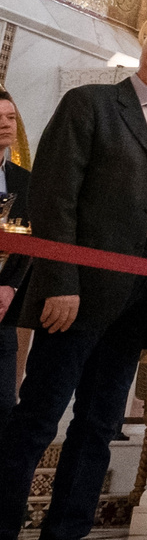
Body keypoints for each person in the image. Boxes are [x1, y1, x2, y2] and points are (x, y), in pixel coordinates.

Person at [0, 21, 147, 540]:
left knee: (99, 424)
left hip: (141, 295)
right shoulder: (92, 105)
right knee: (38, 417)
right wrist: (60, 281)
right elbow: (54, 197)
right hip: (80, 291)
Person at [0, 93, 24, 421]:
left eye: (11, 117)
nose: (6, 124)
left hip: (3, 308)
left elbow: (30, 245)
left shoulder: (24, 181)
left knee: (4, 406)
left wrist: (10, 287)